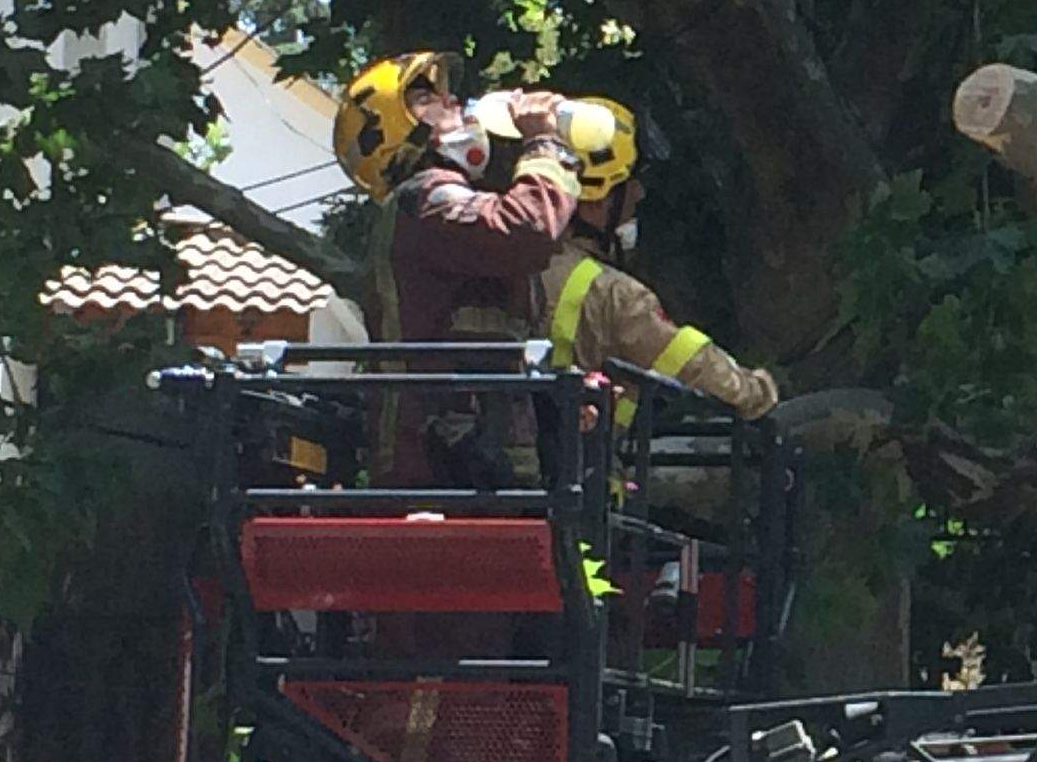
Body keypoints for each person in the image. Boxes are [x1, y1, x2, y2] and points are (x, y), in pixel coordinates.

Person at [332, 51, 581, 485]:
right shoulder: (428, 199)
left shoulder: (445, 205)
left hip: (474, 468)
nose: (453, 101)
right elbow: (527, 230)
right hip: (440, 475)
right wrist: (542, 142)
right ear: (394, 133)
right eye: (427, 96)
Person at [531, 97, 779, 425]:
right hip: (580, 466)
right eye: (629, 183)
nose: (639, 194)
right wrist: (757, 392)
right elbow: (691, 361)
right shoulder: (612, 294)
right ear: (594, 202)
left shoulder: (502, 255)